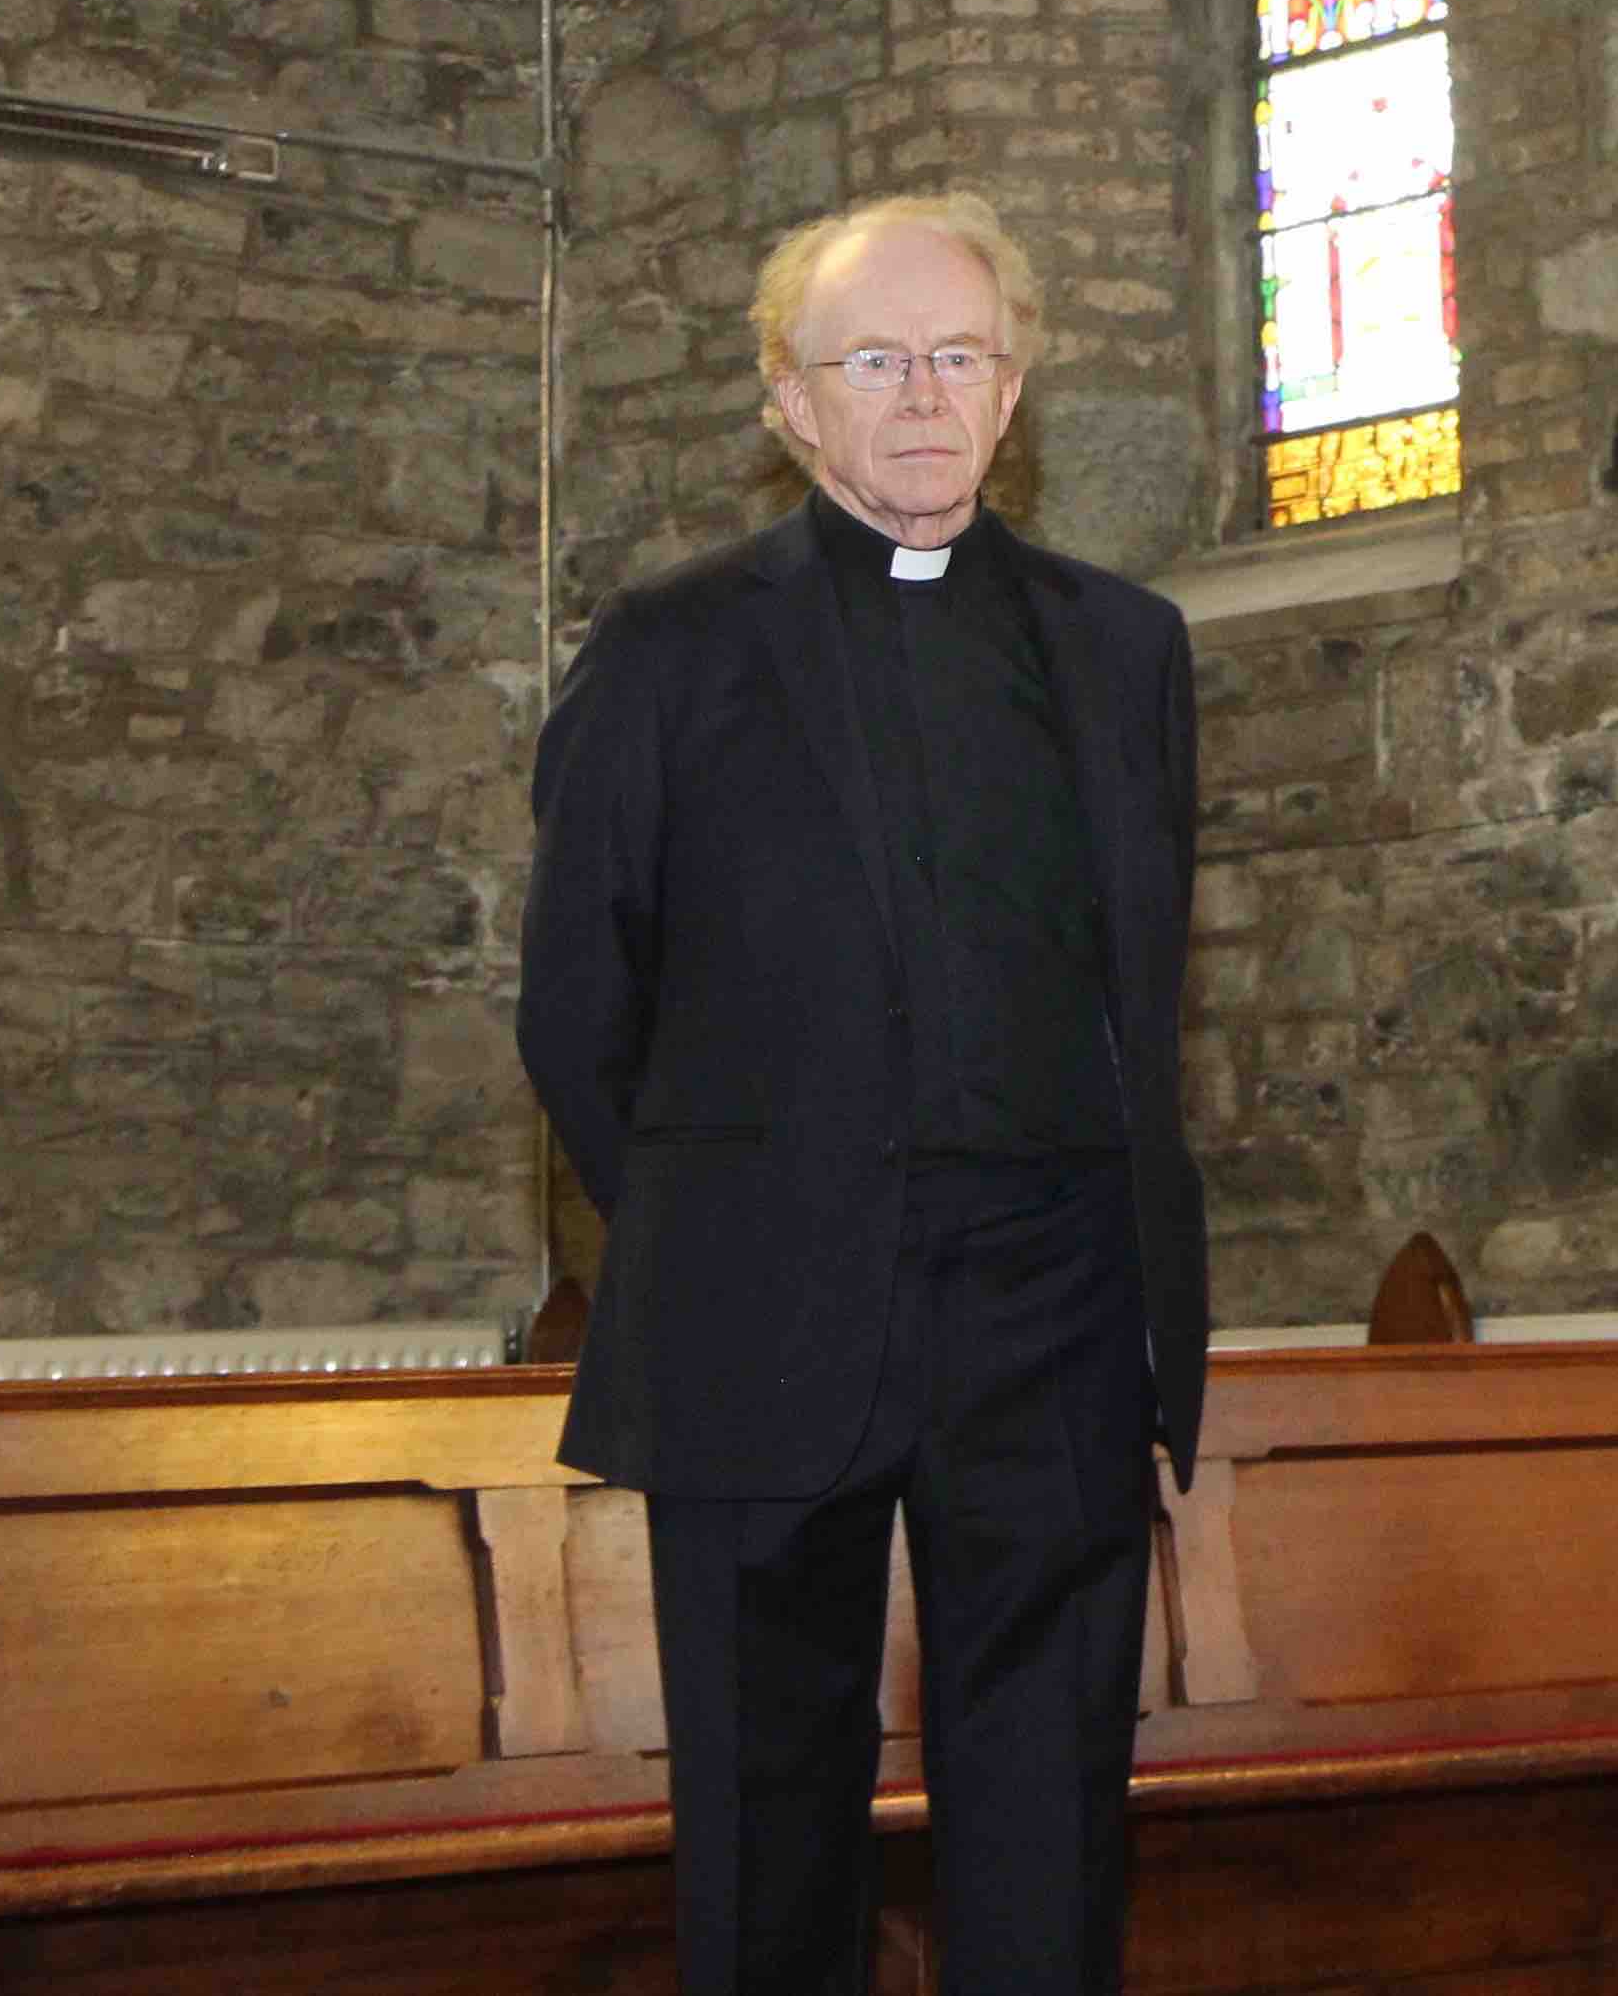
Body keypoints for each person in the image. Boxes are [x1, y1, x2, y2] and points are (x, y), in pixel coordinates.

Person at [518, 192, 1209, 1996]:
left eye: (960, 356)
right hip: (766, 1304)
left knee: (1055, 1811)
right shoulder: (670, 653)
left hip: (1053, 1310)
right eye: (875, 360)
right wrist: (720, 1218)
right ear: (790, 404)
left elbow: (1144, 991)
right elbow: (581, 1009)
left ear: (1015, 386)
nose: (922, 395)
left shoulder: (1124, 652)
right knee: (765, 1822)